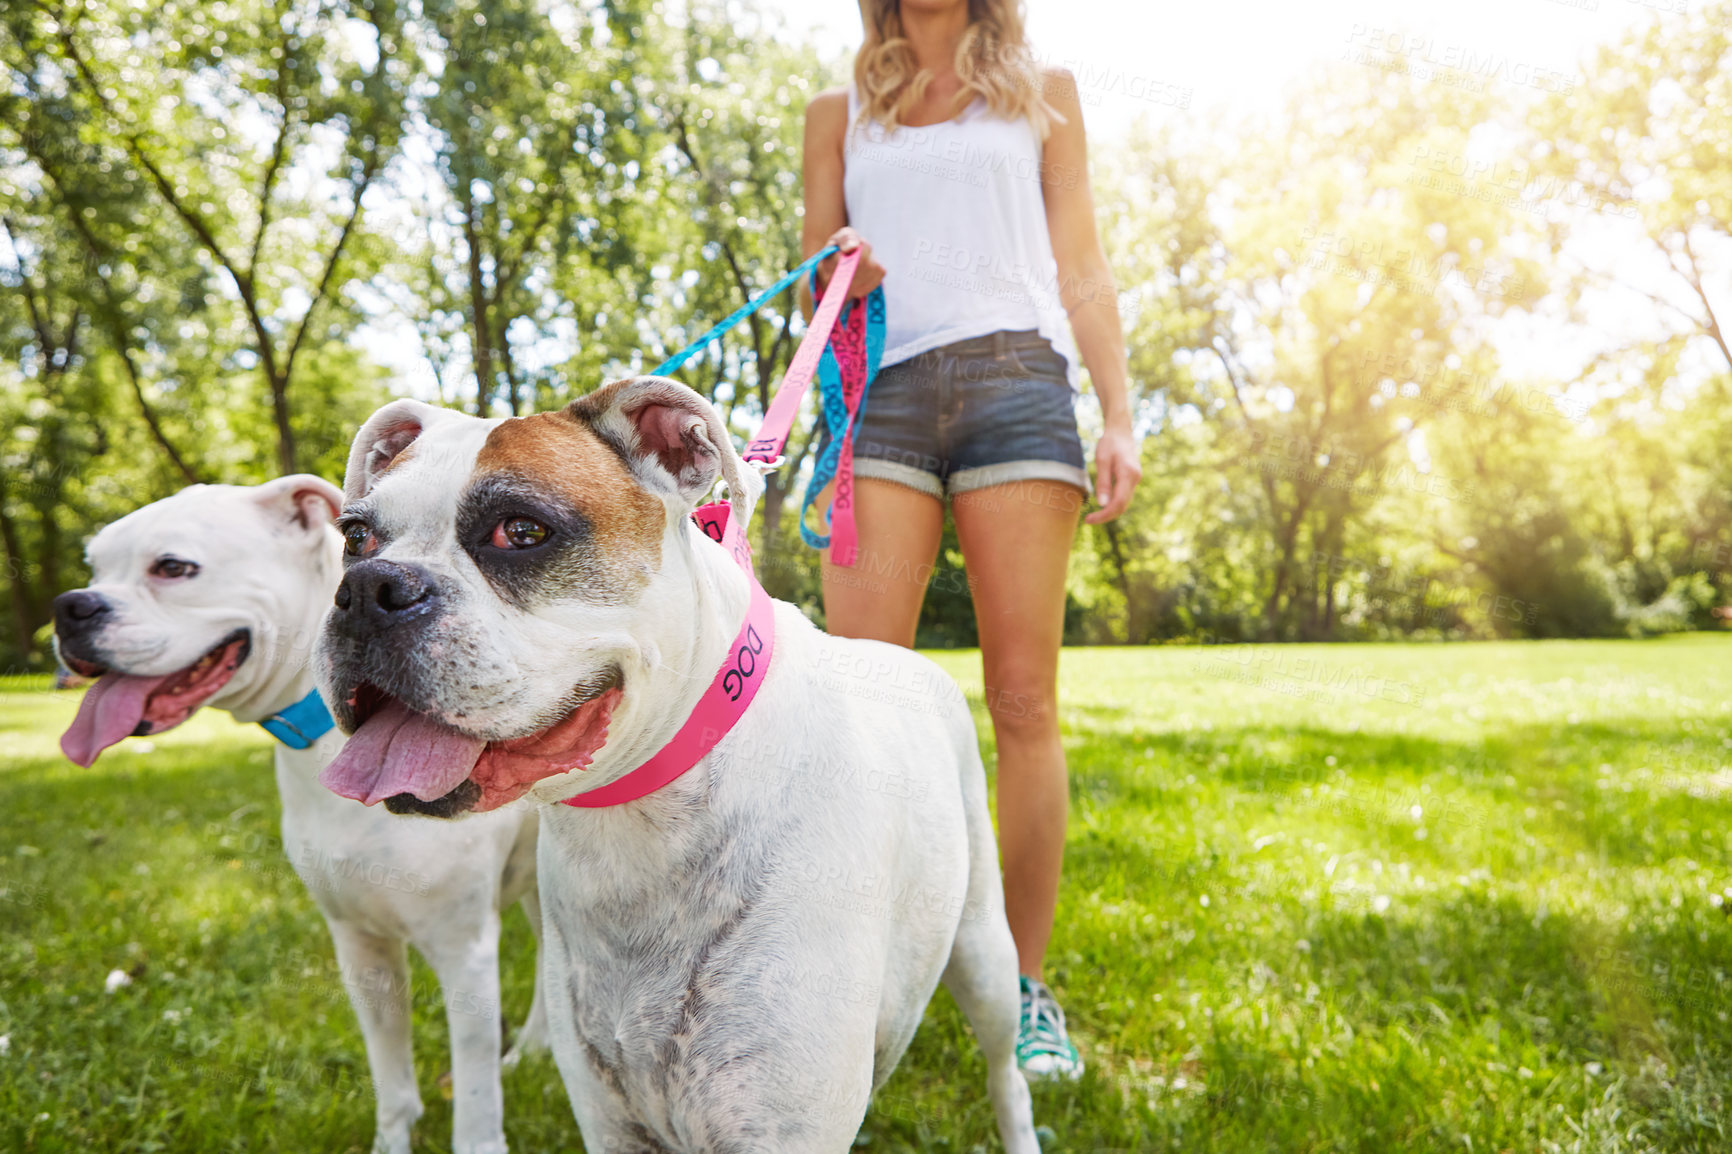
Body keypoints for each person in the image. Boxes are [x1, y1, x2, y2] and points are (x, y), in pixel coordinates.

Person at [800, 0, 1141, 1082]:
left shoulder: (1045, 92)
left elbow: (1078, 260)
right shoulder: (836, 111)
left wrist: (1119, 411)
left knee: (1024, 701)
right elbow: (820, 271)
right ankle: (853, 984)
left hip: (1017, 388)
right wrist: (842, 260)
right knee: (864, 701)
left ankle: (1023, 989)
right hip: (884, 392)